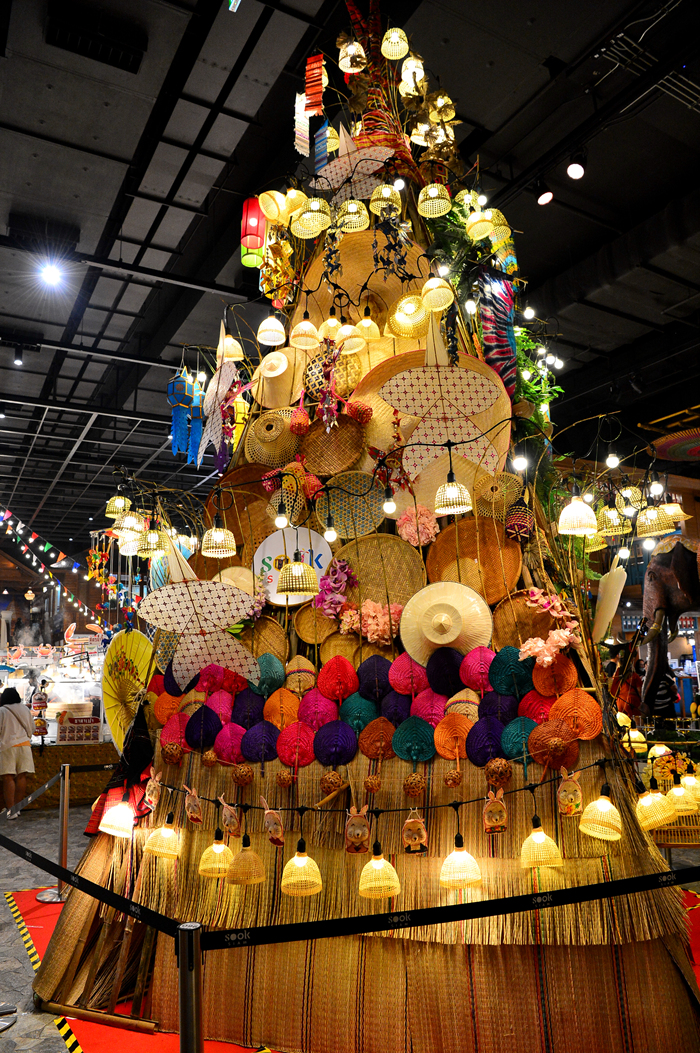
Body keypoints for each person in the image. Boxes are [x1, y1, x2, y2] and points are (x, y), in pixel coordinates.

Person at [0, 687, 35, 818]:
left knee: (8, 777)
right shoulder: (25, 709)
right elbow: (32, 728)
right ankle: (17, 808)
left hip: (7, 747)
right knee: (22, 776)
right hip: (25, 746)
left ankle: (10, 810)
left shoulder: (2, 711)